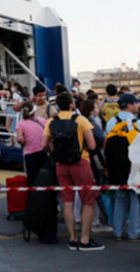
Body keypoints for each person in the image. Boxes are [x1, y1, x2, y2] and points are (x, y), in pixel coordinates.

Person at [43, 92, 103, 251]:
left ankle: (72, 239)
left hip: (60, 164)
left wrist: (52, 151)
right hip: (80, 162)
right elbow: (92, 145)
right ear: (71, 104)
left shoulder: (51, 121)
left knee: (67, 201)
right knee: (88, 201)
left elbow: (44, 144)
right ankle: (85, 240)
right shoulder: (81, 120)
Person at [105, 94, 140, 242]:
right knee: (135, 198)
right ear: (129, 105)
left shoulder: (111, 122)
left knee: (120, 197)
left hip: (116, 167)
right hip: (135, 166)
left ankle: (117, 231)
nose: (138, 105)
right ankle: (134, 233)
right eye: (136, 103)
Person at [14, 102, 48, 186]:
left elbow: (19, 138)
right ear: (34, 111)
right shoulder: (42, 120)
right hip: (43, 152)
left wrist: (23, 142)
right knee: (45, 177)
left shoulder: (20, 123)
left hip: (30, 154)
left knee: (32, 179)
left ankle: (33, 194)